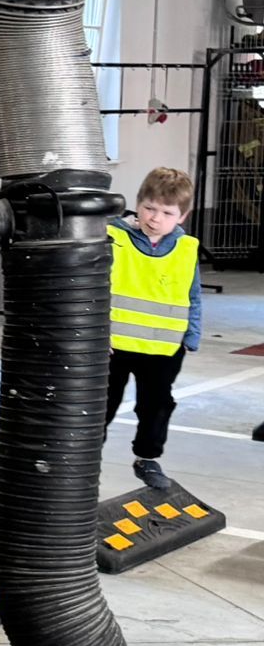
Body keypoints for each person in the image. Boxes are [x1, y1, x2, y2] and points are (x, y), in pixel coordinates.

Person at [104, 167, 202, 494]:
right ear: (138, 204)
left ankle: (147, 458)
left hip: (164, 348)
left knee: (157, 405)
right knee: (101, 404)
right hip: (114, 346)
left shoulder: (186, 249)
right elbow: (93, 288)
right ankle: (83, 457)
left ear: (182, 216)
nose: (155, 218)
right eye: (149, 208)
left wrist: (191, 337)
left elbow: (193, 295)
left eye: (167, 212)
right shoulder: (113, 237)